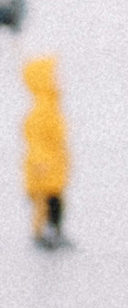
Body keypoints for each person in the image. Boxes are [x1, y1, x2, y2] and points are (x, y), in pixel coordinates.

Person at [21, 53, 69, 247]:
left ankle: (52, 233)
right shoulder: (42, 110)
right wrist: (41, 163)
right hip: (44, 169)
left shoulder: (50, 105)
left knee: (54, 202)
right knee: (46, 204)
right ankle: (44, 235)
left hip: (53, 167)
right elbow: (36, 141)